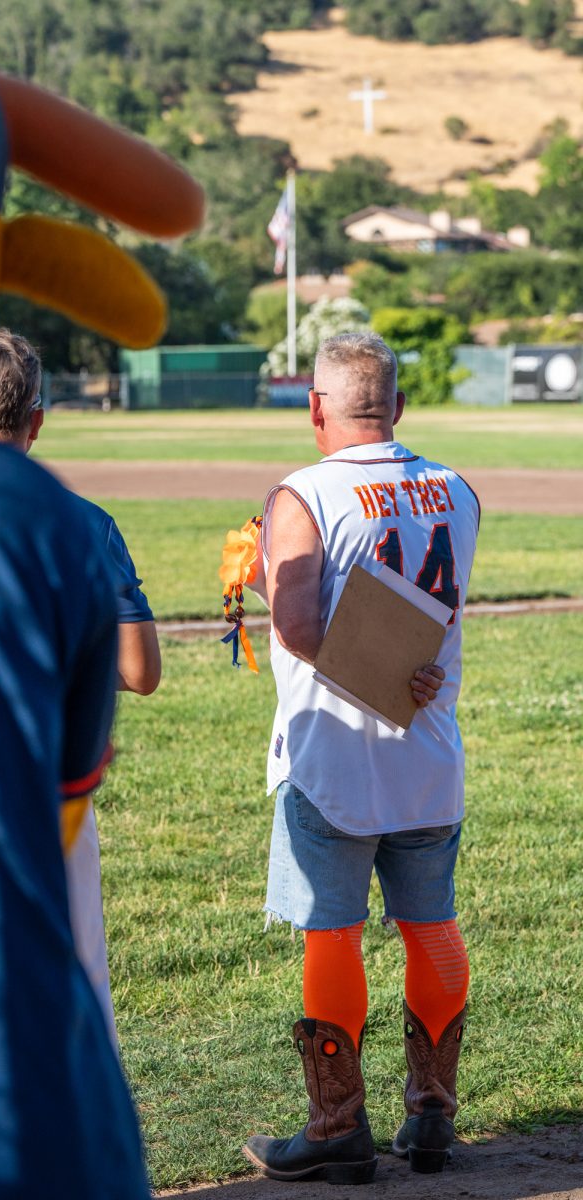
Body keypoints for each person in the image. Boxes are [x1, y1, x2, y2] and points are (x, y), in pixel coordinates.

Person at [242, 333, 480, 1183]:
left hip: (335, 761)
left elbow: (300, 629)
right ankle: (432, 1122)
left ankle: (338, 1127)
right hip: (429, 758)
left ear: (316, 407)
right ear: (399, 408)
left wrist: (264, 582)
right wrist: (408, 683)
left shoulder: (301, 493)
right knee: (432, 928)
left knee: (332, 934)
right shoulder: (456, 488)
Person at [0, 327, 161, 1044]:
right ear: (36, 423)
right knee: (74, 976)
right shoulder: (80, 524)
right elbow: (140, 672)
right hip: (48, 784)